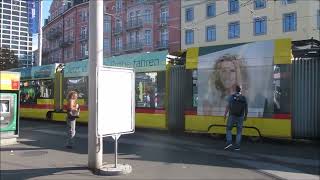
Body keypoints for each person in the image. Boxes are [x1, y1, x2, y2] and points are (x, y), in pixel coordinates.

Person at [223, 85, 248, 151]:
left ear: (235, 90)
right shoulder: (243, 98)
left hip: (232, 116)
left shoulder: (231, 97)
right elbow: (246, 108)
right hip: (240, 117)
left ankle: (229, 142)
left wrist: (225, 115)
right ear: (240, 90)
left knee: (228, 129)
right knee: (239, 132)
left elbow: (228, 106)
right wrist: (245, 116)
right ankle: (237, 147)